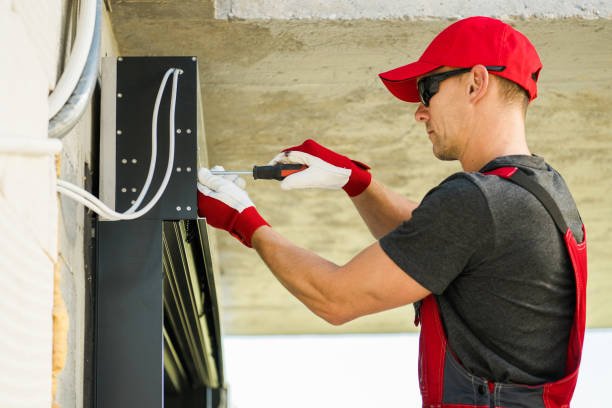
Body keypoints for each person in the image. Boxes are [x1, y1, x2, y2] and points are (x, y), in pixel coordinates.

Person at [197, 16, 587, 407]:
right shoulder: (542, 191)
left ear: (475, 83)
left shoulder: (480, 201)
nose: (420, 112)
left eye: (427, 89)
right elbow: (436, 241)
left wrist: (241, 219)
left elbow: (334, 298)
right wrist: (356, 183)